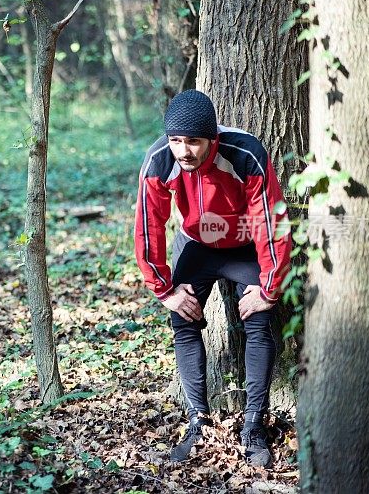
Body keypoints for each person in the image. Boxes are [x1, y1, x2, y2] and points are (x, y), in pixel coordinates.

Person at [133, 90, 292, 468]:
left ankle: (254, 424)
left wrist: (270, 287)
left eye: (193, 142)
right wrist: (165, 290)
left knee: (258, 320)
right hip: (197, 245)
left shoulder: (245, 152)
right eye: (176, 141)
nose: (183, 151)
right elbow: (148, 224)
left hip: (243, 246)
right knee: (183, 320)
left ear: (212, 138)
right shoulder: (160, 159)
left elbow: (269, 221)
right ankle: (197, 422)